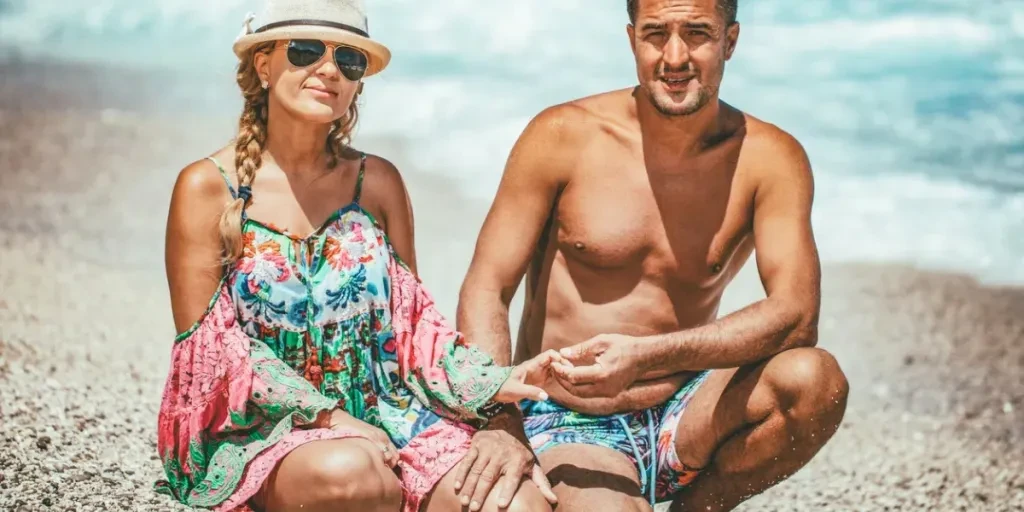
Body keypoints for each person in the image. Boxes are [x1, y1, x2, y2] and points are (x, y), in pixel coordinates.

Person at [154, 1, 559, 511]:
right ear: (263, 65)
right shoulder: (206, 188)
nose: (328, 69)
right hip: (258, 424)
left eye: (349, 60)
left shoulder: (378, 183)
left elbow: (414, 332)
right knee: (358, 478)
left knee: (518, 504)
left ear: (358, 83)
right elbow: (214, 355)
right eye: (305, 51)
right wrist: (329, 419)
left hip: (388, 411)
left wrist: (499, 384)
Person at [455, 0, 850, 510]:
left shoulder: (769, 158)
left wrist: (647, 355)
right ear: (631, 38)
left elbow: (797, 317)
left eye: (698, 34)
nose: (675, 56)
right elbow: (487, 287)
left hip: (686, 409)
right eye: (656, 34)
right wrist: (500, 420)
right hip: (569, 414)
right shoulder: (562, 136)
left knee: (813, 381)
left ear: (730, 41)